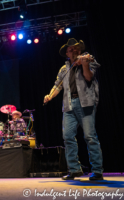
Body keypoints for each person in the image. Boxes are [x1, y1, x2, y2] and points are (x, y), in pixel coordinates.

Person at [43, 38, 103, 180]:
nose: (74, 51)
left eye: (76, 48)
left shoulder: (88, 60)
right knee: (68, 137)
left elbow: (89, 77)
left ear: (80, 50)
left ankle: (98, 170)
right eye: (71, 50)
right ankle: (74, 169)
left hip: (86, 103)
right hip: (68, 105)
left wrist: (85, 64)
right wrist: (49, 96)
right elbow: (58, 85)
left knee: (90, 136)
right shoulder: (64, 69)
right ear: (67, 54)